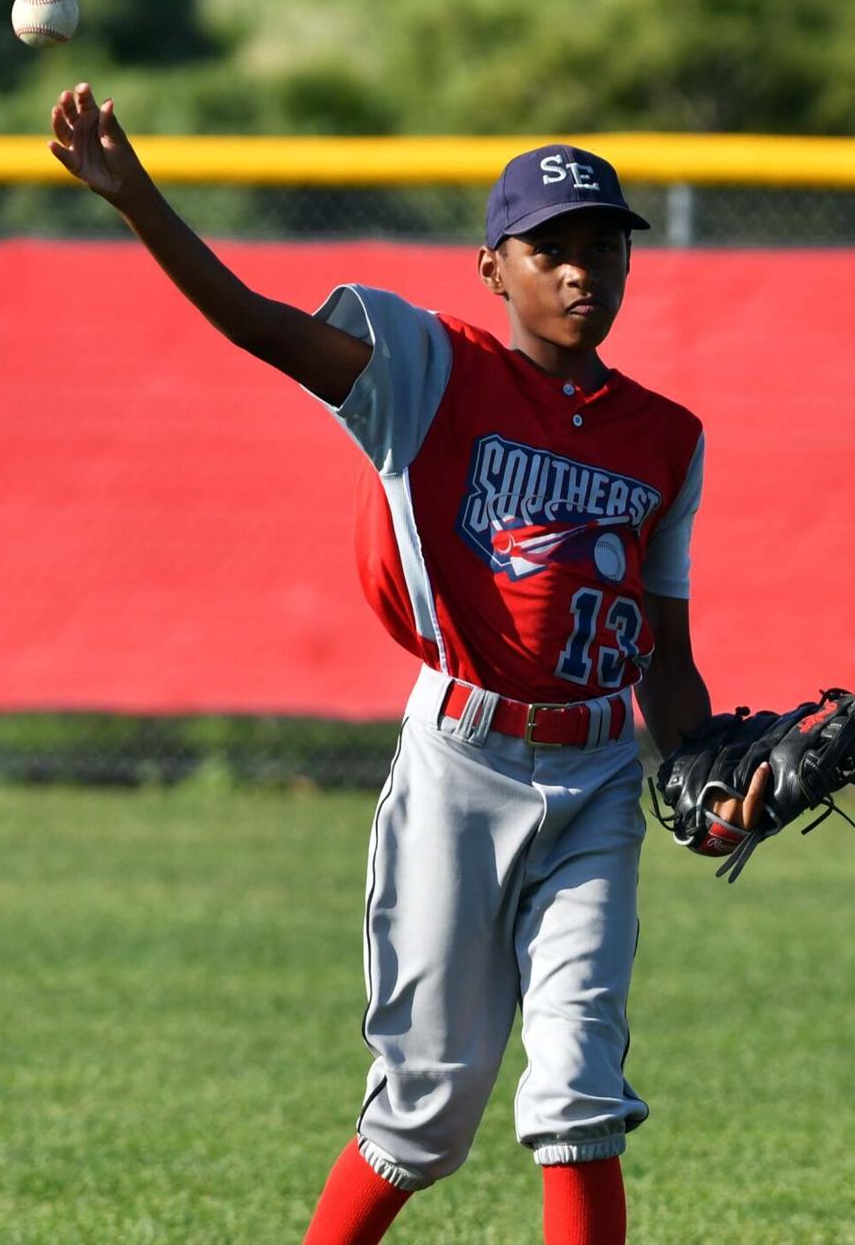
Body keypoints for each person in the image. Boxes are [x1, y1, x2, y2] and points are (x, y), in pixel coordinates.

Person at [48, 83, 768, 1245]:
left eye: (603, 248)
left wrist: (708, 776)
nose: (583, 271)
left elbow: (664, 654)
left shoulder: (667, 437)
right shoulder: (424, 370)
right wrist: (137, 199)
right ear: (494, 267)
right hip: (460, 770)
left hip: (593, 781)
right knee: (427, 1115)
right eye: (552, 249)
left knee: (579, 1093)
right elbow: (253, 320)